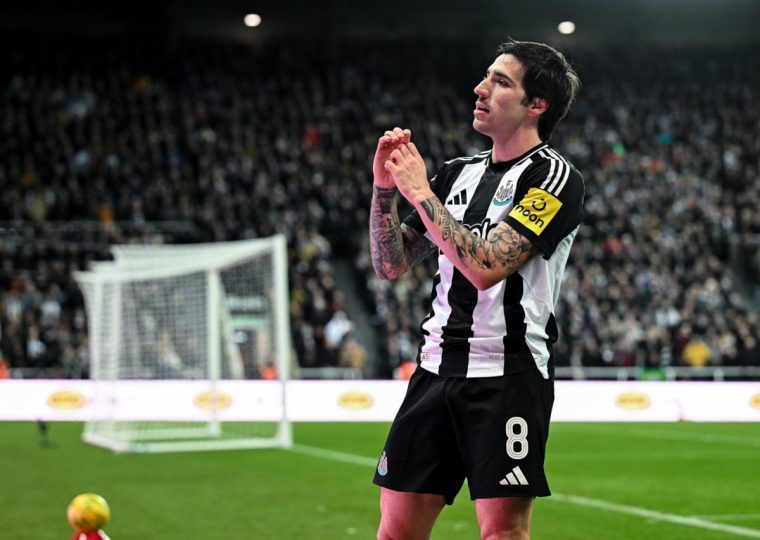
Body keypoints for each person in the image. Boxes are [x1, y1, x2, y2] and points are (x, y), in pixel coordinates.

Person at [369, 39, 583, 539]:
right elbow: (390, 265)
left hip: (507, 373)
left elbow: (488, 266)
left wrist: (419, 193)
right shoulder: (455, 174)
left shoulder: (554, 178)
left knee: (502, 533)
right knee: (395, 531)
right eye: (486, 77)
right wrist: (385, 190)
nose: (480, 88)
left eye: (500, 81)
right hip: (435, 368)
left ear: (537, 105)